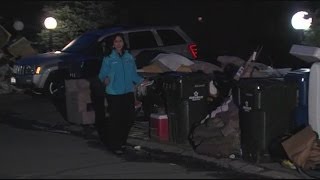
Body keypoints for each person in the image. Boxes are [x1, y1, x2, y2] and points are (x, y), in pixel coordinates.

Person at [98, 33, 149, 155]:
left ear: (123, 43)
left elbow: (133, 75)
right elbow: (101, 75)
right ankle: (115, 145)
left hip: (128, 92)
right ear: (113, 44)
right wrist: (105, 79)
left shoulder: (129, 57)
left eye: (120, 41)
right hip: (114, 93)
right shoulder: (109, 58)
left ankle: (122, 142)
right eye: (116, 41)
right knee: (116, 120)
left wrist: (142, 81)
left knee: (129, 118)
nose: (118, 43)